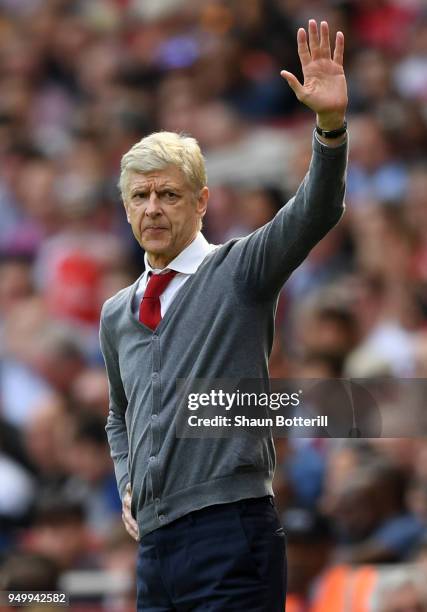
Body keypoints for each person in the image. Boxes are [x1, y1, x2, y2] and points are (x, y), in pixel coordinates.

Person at [99, 19, 348, 611]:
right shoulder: (117, 312)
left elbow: (315, 211)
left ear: (202, 202)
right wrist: (128, 479)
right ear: (126, 207)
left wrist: (330, 128)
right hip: (155, 550)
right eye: (141, 195)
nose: (153, 208)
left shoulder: (239, 271)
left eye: (170, 194)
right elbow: (118, 414)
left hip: (230, 530)